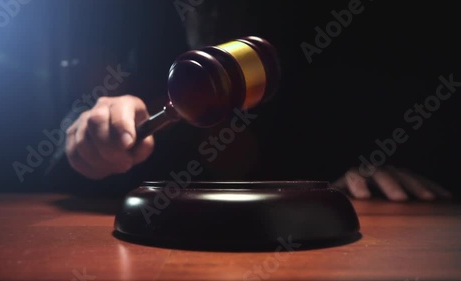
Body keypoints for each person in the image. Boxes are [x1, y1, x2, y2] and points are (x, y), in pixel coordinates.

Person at [48, 0, 460, 201]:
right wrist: (84, 137)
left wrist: (379, 174)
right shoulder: (148, 50)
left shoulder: (337, 40)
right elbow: (51, 165)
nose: (212, 18)